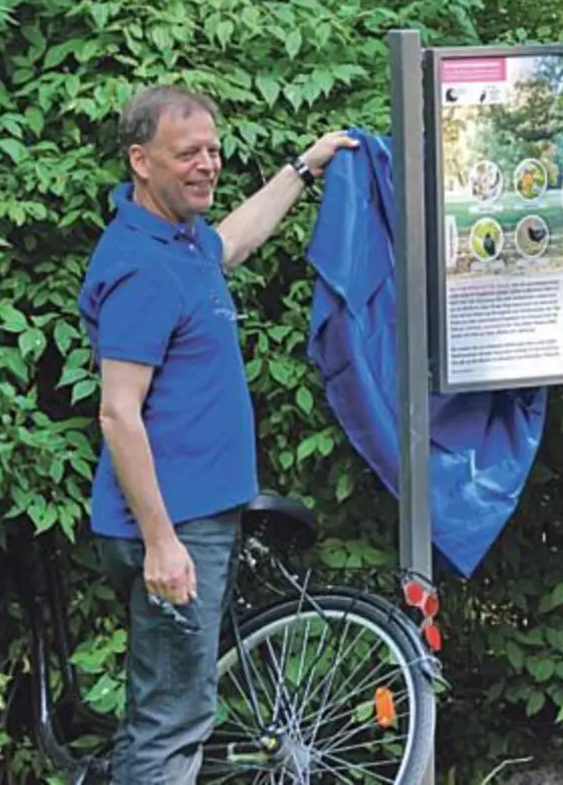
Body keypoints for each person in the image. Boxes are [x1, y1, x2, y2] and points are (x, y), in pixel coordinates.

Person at [78, 84, 355, 784]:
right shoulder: (141, 267)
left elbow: (233, 240)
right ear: (140, 160)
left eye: (213, 150)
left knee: (169, 710)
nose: (207, 165)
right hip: (174, 525)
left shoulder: (182, 242)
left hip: (194, 518)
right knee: (172, 722)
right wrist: (162, 542)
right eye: (187, 154)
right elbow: (118, 413)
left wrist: (306, 166)